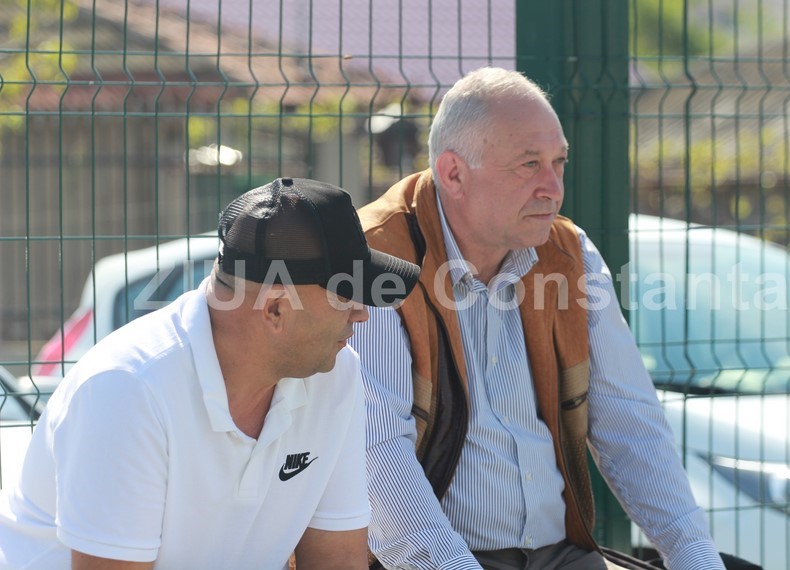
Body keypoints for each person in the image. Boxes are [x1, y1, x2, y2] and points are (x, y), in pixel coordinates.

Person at [351, 67, 727, 570]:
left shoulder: (567, 251)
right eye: (528, 165)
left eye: (558, 163)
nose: (553, 188)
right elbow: (378, 458)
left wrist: (696, 558)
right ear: (454, 173)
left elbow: (630, 422)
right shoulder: (374, 254)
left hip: (563, 555)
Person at [0, 177, 420, 569]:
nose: (363, 314)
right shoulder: (126, 389)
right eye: (346, 295)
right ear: (276, 309)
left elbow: (337, 562)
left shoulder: (337, 373)